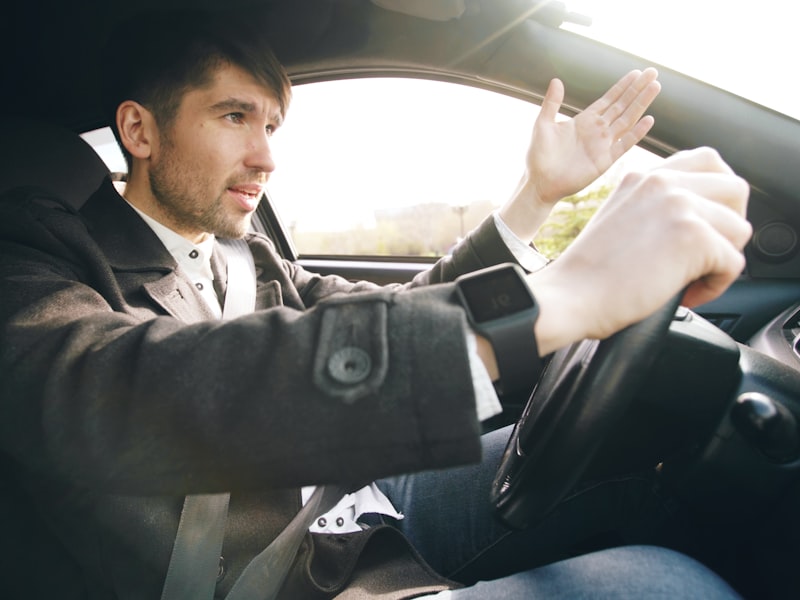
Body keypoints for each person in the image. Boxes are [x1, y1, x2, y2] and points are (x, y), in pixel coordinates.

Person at [0, 10, 750, 600]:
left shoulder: (247, 255)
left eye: (270, 125)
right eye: (235, 118)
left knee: (643, 468)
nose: (266, 154)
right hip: (256, 577)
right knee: (667, 588)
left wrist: (535, 202)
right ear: (140, 130)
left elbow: (406, 310)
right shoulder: (36, 260)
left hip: (331, 528)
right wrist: (565, 296)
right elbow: (126, 392)